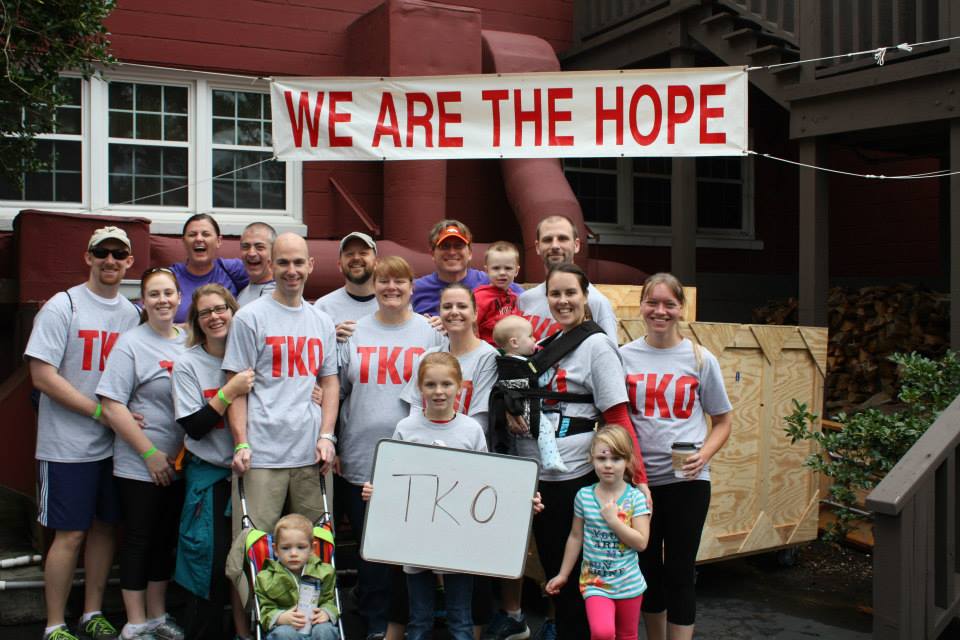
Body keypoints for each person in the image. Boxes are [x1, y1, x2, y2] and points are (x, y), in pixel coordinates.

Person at [506, 263, 645, 640]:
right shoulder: (546, 344)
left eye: (571, 293)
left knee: (583, 580)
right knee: (557, 573)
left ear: (586, 297)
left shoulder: (597, 346)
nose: (563, 300)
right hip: (539, 477)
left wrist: (639, 479)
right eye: (555, 294)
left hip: (574, 477)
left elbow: (617, 415)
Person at [26, 226, 140, 640]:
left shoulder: (132, 314)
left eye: (118, 254)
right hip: (66, 445)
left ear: (129, 262)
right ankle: (54, 623)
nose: (110, 260)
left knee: (106, 528)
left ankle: (92, 612)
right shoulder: (65, 305)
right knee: (70, 533)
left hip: (115, 447)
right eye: (102, 252)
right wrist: (99, 412)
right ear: (88, 257)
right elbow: (42, 376)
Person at [223, 233, 340, 598]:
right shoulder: (249, 318)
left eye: (298, 262)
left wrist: (327, 436)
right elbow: (236, 386)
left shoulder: (321, 320)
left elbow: (330, 381)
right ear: (271, 266)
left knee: (316, 551)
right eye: (284, 262)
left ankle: (310, 618)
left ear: (311, 266)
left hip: (310, 455)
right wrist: (241, 442)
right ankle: (255, 624)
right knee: (252, 552)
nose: (292, 270)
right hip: (262, 455)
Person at [619, 273, 732, 640]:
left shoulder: (700, 358)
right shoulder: (624, 357)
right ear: (641, 306)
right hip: (640, 484)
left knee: (681, 570)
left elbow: (723, 422)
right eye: (652, 302)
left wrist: (704, 455)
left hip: (688, 482)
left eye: (669, 304)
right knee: (648, 569)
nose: (660, 311)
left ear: (682, 309)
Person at [337, 256, 443, 640]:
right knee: (371, 549)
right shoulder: (354, 334)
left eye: (400, 281)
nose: (391, 287)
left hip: (416, 457)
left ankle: (415, 624)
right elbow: (338, 391)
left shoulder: (430, 334)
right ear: (374, 287)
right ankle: (376, 624)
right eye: (384, 281)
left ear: (412, 287)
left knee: (411, 549)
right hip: (361, 454)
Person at [363, 353, 488, 640]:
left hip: (458, 539)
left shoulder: (471, 430)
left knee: (460, 619)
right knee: (418, 620)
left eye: (446, 384)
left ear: (460, 386)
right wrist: (377, 491)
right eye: (430, 385)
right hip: (415, 538)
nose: (439, 391)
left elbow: (486, 481)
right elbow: (392, 476)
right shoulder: (406, 428)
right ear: (420, 388)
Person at [96, 267, 189, 640]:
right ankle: (134, 623)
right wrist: (149, 453)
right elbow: (111, 404)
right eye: (154, 294)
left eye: (168, 293)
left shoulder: (188, 340)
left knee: (164, 539)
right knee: (139, 538)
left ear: (179, 297)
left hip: (180, 462)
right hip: (141, 464)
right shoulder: (131, 344)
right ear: (143, 301)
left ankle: (157, 614)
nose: (162, 300)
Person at [172, 284, 254, 640]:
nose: (214, 317)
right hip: (210, 477)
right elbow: (194, 426)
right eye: (205, 312)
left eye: (220, 309)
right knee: (208, 563)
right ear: (196, 320)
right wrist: (230, 391)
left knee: (249, 562)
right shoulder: (187, 364)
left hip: (252, 474)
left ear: (233, 311)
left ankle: (245, 631)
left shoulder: (253, 355)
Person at [545, 425, 650, 640]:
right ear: (591, 459)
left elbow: (641, 543)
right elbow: (576, 536)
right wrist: (563, 574)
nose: (608, 465)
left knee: (627, 635)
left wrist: (614, 521)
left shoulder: (635, 498)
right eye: (602, 458)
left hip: (629, 583)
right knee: (602, 632)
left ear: (628, 461)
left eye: (616, 459)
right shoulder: (584, 496)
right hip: (595, 583)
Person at [517, 216, 618, 341]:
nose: (555, 245)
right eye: (547, 240)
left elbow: (608, 352)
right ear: (537, 247)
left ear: (576, 245)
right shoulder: (525, 300)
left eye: (562, 238)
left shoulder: (596, 302)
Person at [492, 315, 566, 472]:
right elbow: (539, 381)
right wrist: (552, 369)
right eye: (530, 336)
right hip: (527, 409)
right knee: (545, 429)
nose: (535, 339)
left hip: (515, 409)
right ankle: (551, 460)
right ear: (514, 342)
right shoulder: (523, 364)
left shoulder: (505, 362)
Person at [253, 513, 340, 640]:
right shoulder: (265, 578)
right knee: (283, 634)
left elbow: (329, 600)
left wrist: (326, 612)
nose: (293, 553)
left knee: (325, 630)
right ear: (276, 550)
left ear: (312, 548)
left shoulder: (324, 572)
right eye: (285, 548)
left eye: (301, 547)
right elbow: (266, 609)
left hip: (315, 623)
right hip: (285, 626)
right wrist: (280, 617)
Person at [411, 220, 523, 317]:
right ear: (432, 253)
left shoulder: (493, 281)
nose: (452, 252)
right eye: (445, 246)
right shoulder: (416, 288)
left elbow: (526, 301)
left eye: (458, 246)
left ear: (469, 253)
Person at [170, 213, 248, 323]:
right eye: (192, 235)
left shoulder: (232, 269)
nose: (199, 238)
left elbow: (268, 276)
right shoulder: (169, 278)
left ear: (218, 241)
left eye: (206, 234)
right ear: (184, 242)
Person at [314, 231, 378, 342]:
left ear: (376, 263)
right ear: (339, 265)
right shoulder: (323, 307)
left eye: (363, 253)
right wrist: (331, 340)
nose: (356, 258)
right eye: (349, 254)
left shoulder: (392, 305)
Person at [474, 241, 522, 346]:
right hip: (488, 347)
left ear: (516, 271)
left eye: (508, 268)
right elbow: (471, 326)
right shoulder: (480, 297)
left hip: (512, 347)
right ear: (487, 270)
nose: (502, 273)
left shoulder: (515, 297)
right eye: (496, 268)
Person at [236, 222, 277, 306]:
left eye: (259, 247)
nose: (251, 253)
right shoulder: (244, 291)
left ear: (274, 252)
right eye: (246, 247)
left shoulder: (279, 297)